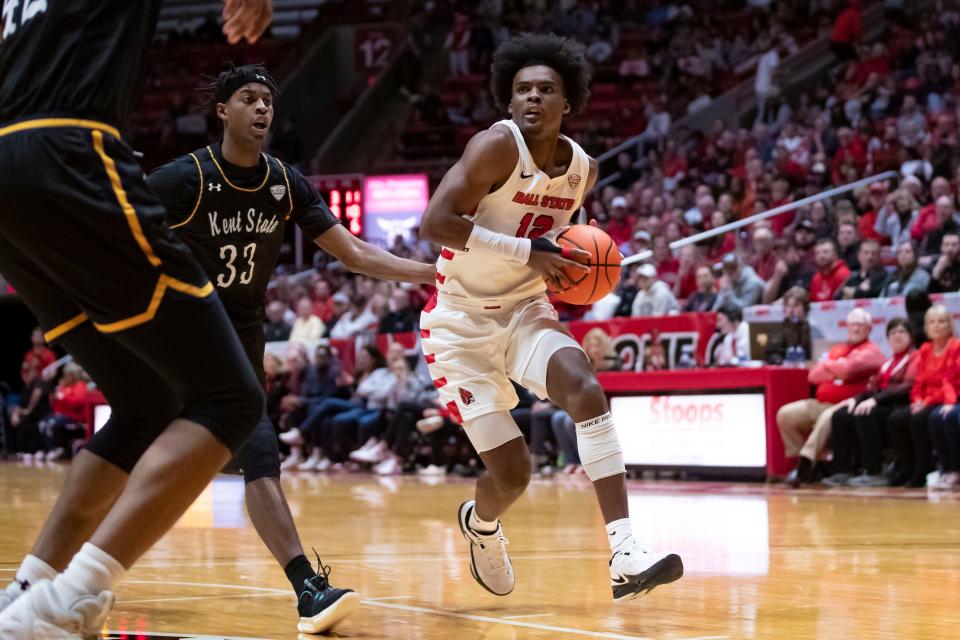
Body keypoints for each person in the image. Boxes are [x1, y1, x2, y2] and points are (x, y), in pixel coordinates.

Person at [0, 2, 273, 637]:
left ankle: (31, 587)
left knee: (145, 401)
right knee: (231, 399)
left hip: (7, 173)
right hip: (68, 150)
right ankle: (71, 597)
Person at [144, 64, 435, 633]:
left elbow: (353, 253)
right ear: (222, 111)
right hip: (188, 333)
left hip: (244, 334)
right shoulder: (187, 178)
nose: (261, 110)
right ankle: (307, 587)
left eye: (268, 102)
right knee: (257, 450)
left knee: (193, 459)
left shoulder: (283, 181)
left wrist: (431, 271)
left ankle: (68, 568)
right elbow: (117, 227)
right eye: (248, 99)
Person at [416, 33, 683, 603]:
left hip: (526, 309)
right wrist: (530, 253)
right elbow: (434, 224)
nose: (533, 98)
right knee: (514, 472)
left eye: (546, 90)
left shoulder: (581, 170)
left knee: (587, 391)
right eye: (522, 90)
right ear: (508, 103)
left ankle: (624, 551)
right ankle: (481, 525)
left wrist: (570, 265)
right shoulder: (494, 147)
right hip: (460, 325)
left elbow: (560, 242)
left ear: (568, 102)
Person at [778, 308, 884, 487]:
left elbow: (849, 369)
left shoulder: (872, 351)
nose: (856, 329)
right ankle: (809, 464)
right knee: (786, 414)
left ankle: (805, 464)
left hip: (847, 404)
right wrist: (837, 369)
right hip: (822, 402)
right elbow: (813, 376)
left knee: (828, 418)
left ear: (869, 329)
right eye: (852, 325)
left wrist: (829, 366)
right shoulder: (838, 349)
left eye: (860, 325)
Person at [823, 318, 918, 487]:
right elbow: (873, 388)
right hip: (883, 403)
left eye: (902, 332)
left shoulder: (914, 358)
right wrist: (856, 399)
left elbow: (907, 386)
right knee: (841, 415)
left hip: (901, 404)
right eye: (893, 333)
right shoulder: (888, 362)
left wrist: (874, 400)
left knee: (866, 414)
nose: (897, 336)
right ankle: (842, 471)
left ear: (911, 336)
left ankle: (875, 471)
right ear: (887, 338)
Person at [888, 305, 960, 488]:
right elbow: (919, 381)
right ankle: (905, 468)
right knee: (896, 419)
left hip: (949, 397)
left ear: (950, 325)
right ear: (926, 326)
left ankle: (928, 470)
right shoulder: (926, 349)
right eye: (932, 322)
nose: (936, 326)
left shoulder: (956, 347)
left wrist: (926, 402)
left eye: (941, 321)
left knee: (928, 418)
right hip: (928, 399)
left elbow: (950, 381)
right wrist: (917, 400)